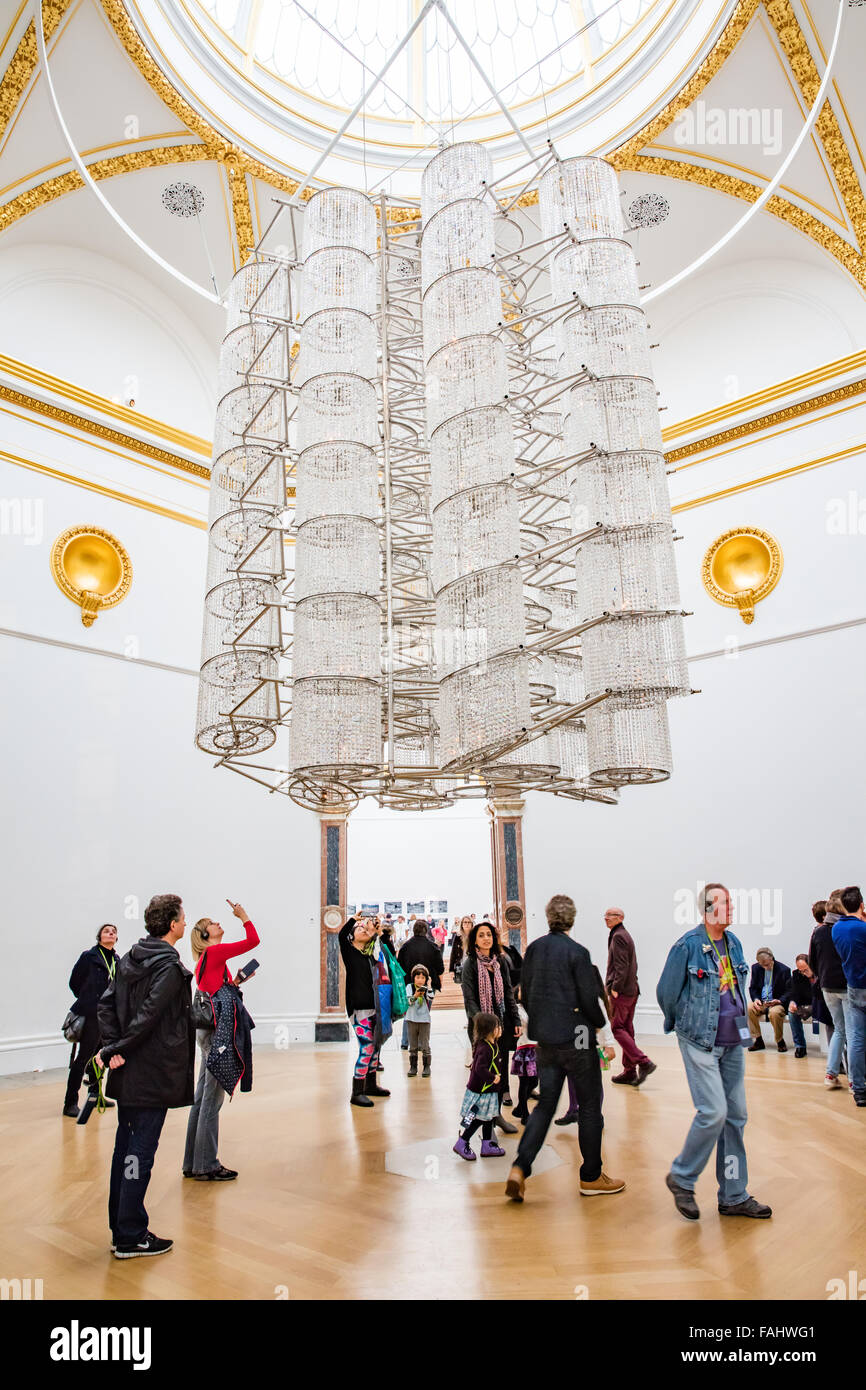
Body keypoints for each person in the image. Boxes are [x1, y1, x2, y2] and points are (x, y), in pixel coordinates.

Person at [657, 882, 771, 1222]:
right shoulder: (687, 947)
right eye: (725, 903)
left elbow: (738, 988)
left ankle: (734, 1195)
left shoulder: (733, 943)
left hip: (732, 1041)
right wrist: (683, 1024)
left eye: (731, 903)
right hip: (700, 1041)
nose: (732, 908)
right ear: (707, 910)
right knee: (714, 1111)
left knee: (736, 1117)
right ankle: (682, 1176)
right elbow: (666, 992)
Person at [505, 895, 623, 1202]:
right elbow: (589, 999)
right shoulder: (578, 953)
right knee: (589, 1106)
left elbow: (524, 994)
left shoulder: (534, 950)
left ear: (548, 918)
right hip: (578, 1040)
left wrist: (542, 1021)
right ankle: (591, 1176)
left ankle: (520, 1166)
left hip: (546, 1040)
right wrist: (600, 1023)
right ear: (571, 918)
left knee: (545, 1105)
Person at [96, 893, 195, 1258]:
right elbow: (149, 1016)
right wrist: (114, 1049)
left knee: (127, 1150)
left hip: (130, 1074)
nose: (186, 923)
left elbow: (105, 1005)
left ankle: (122, 1227)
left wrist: (113, 1046)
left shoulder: (129, 959)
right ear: (171, 924)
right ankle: (130, 1235)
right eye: (183, 918)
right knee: (139, 1153)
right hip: (152, 1075)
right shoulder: (167, 966)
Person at [183, 902, 260, 1181]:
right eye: (212, 923)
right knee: (211, 1101)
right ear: (206, 935)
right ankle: (207, 1165)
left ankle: (192, 1163)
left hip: (207, 1032)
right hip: (217, 1034)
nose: (218, 924)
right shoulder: (214, 952)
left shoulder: (211, 960)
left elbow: (221, 991)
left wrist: (238, 980)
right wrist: (244, 916)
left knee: (202, 1097)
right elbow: (254, 940)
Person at [461, 920, 521, 1132]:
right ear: (475, 941)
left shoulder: (500, 962)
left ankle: (496, 1116)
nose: (486, 938)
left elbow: (507, 992)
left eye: (489, 934)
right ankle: (474, 1120)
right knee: (482, 1075)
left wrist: (515, 1019)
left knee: (499, 1072)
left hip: (501, 1025)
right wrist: (485, 1026)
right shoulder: (469, 964)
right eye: (481, 935)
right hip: (481, 1028)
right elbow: (469, 999)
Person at [63, 924, 119, 1117]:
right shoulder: (89, 956)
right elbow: (74, 982)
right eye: (106, 931)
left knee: (100, 1057)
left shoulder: (117, 960)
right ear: (99, 937)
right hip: (90, 1014)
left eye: (113, 931)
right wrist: (87, 998)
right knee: (84, 1058)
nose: (110, 933)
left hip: (107, 1016)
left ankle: (95, 1096)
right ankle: (70, 1102)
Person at [338, 915, 392, 1107]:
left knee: (376, 1047)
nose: (362, 929)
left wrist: (374, 930)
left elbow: (381, 943)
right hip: (359, 1009)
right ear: (352, 937)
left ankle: (370, 1085)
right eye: (358, 929)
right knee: (367, 1047)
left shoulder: (370, 954)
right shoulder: (350, 952)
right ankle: (357, 1091)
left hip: (374, 1007)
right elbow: (342, 935)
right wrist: (354, 919)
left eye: (364, 929)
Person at [604, 907, 656, 1087]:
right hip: (631, 990)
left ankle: (643, 1062)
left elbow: (622, 965)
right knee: (627, 1029)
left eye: (610, 915)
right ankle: (629, 1071)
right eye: (606, 915)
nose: (606, 918)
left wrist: (615, 988)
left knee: (617, 1028)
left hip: (623, 992)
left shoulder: (619, 936)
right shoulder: (622, 934)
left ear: (620, 918)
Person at [809, 893, 852, 1090]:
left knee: (839, 1029)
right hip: (846, 985)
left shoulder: (818, 932)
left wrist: (823, 976)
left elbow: (813, 963)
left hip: (827, 986)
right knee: (852, 1032)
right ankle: (854, 1079)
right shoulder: (845, 929)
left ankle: (831, 1073)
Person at [453, 1013, 506, 1161]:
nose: (500, 1028)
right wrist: (492, 1077)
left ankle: (487, 1145)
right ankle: (462, 1142)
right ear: (489, 1030)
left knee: (488, 1118)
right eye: (497, 1026)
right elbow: (479, 1068)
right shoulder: (485, 1048)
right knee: (478, 1119)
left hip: (488, 1091)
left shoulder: (492, 1045)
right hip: (481, 1092)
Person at [831, 885, 866, 1108]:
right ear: (861, 905)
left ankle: (859, 1089)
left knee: (857, 1039)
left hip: (853, 986)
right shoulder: (863, 929)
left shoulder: (836, 929)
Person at [747, 948, 792, 1052]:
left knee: (774, 1012)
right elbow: (753, 988)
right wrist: (756, 999)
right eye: (762, 965)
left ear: (772, 959)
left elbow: (789, 991)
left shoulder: (784, 970)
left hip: (777, 1002)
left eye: (767, 965)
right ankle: (758, 1040)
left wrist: (779, 1001)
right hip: (762, 1001)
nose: (765, 967)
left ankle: (780, 1041)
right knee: (749, 1008)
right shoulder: (756, 968)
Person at [784, 954, 821, 1058]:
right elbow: (795, 992)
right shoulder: (797, 975)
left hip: (821, 1003)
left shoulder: (820, 971)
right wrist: (793, 1002)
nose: (804, 973)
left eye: (806, 969)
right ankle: (800, 1046)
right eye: (801, 971)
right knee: (792, 1013)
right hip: (807, 1004)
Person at [405, 965, 434, 1078]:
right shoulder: (409, 987)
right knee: (413, 1045)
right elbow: (408, 1002)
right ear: (413, 978)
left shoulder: (427, 988)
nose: (420, 980)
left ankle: (427, 1067)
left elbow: (431, 998)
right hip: (411, 1019)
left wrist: (429, 987)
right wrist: (416, 995)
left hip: (424, 1020)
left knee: (425, 1044)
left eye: (423, 978)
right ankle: (413, 1067)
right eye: (418, 977)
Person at [511, 1006, 537, 1123]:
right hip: (524, 1048)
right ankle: (524, 1114)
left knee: (535, 1081)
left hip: (537, 1048)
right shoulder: (518, 1009)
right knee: (524, 1082)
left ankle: (520, 1108)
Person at [499, 927, 524, 1003]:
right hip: (507, 991)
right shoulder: (492, 955)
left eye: (497, 934)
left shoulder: (511, 949)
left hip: (518, 987)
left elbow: (522, 965)